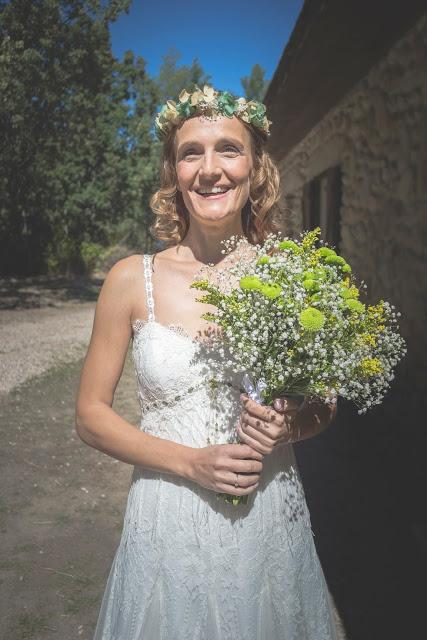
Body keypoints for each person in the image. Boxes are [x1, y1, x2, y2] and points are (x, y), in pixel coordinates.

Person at [75, 85, 346, 640]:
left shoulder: (292, 277)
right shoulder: (132, 279)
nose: (210, 169)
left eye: (229, 149)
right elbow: (90, 415)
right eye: (191, 153)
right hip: (166, 516)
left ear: (255, 169)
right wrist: (190, 463)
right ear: (173, 171)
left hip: (267, 516)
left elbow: (324, 408)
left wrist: (287, 423)